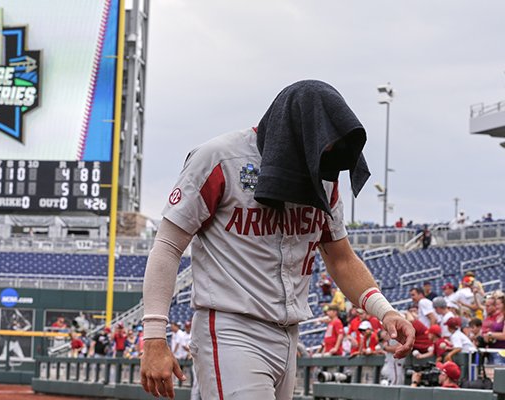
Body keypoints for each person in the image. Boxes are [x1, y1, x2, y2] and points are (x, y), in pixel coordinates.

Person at [139, 80, 415, 399]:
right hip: (231, 327)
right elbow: (168, 246)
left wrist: (386, 311)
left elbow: (341, 258)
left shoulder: (323, 178)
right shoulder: (220, 159)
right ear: (295, 134)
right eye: (322, 146)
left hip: (289, 334)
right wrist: (154, 337)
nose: (327, 156)